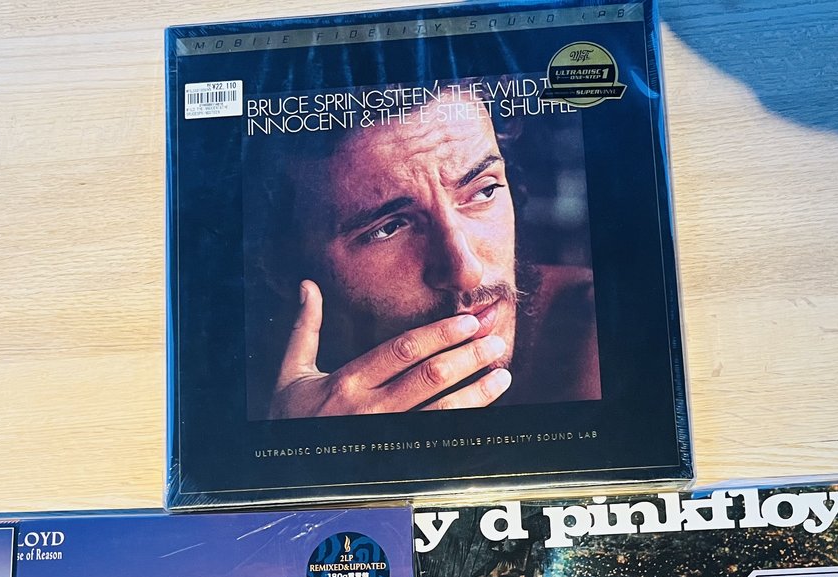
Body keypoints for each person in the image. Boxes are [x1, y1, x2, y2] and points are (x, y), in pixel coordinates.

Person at [248, 100, 600, 418]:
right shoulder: (238, 383)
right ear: (280, 265)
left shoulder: (600, 338)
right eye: (389, 228)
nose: (467, 271)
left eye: (483, 190)